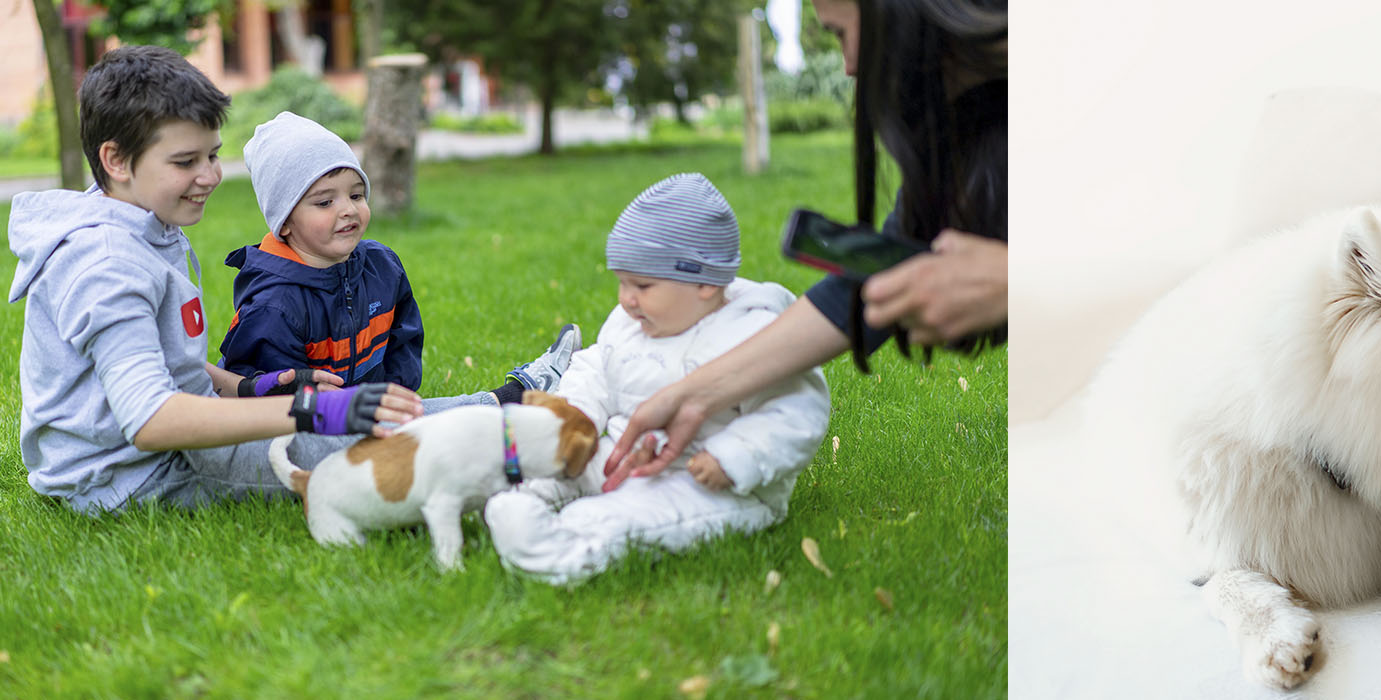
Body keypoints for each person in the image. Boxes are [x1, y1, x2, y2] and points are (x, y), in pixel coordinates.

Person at [602, 0, 1007, 484]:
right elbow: (856, 299)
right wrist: (695, 393)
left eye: (839, 34)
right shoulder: (972, 124)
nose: (849, 66)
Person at [6, 46, 423, 514]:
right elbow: (149, 419)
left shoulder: (139, 225)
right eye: (186, 162)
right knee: (377, 445)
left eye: (213, 155)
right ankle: (508, 407)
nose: (210, 176)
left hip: (152, 455)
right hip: (129, 475)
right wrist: (316, 411)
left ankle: (506, 399)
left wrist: (246, 389)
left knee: (377, 427)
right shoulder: (106, 264)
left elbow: (152, 360)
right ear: (117, 161)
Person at [481, 174, 830, 584]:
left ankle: (561, 549)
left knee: (635, 517)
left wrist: (733, 459)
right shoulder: (631, 322)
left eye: (642, 285)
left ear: (704, 282)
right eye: (622, 282)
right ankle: (515, 496)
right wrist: (578, 416)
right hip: (626, 451)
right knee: (556, 466)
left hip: (707, 481)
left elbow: (794, 414)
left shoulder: (756, 334)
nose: (626, 299)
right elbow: (596, 367)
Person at [219, 111, 578, 406]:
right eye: (325, 202)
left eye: (356, 195)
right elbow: (270, 401)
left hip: (370, 411)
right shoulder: (273, 303)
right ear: (285, 224)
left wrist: (397, 396)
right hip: (309, 429)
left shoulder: (381, 266)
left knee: (417, 423)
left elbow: (404, 340)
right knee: (421, 434)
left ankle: (530, 397)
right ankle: (516, 399)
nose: (348, 210)